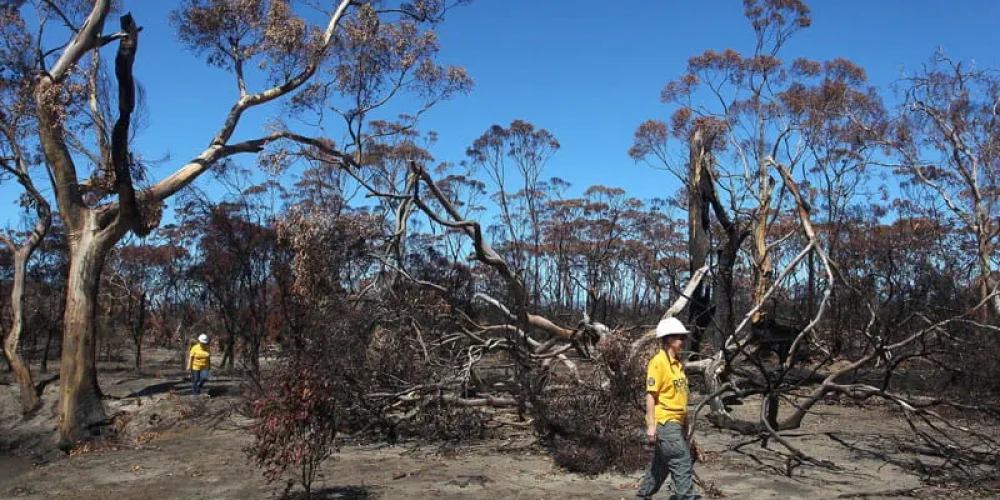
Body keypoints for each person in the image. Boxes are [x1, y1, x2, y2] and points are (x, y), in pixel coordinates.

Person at [636, 317, 700, 500]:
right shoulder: (658, 363)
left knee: (661, 466)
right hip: (665, 422)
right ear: (669, 340)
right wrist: (651, 425)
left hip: (677, 423)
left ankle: (643, 496)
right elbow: (650, 395)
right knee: (682, 461)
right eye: (680, 338)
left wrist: (686, 426)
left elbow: (681, 398)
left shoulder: (679, 365)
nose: (683, 342)